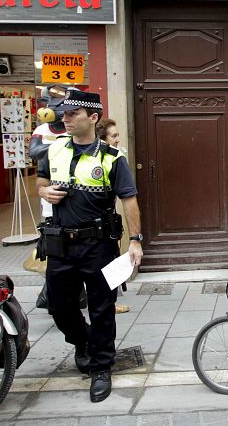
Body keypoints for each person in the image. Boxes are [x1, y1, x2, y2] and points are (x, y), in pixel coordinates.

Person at [36, 90, 143, 402]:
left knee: (101, 310)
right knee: (58, 305)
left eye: (72, 114)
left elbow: (129, 200)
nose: (65, 119)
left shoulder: (112, 158)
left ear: (92, 118)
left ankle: (101, 367)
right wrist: (44, 193)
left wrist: (135, 240)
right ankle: (82, 342)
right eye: (64, 114)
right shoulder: (53, 151)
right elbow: (40, 181)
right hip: (60, 244)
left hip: (98, 246)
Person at [96, 118, 130, 314]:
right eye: (114, 136)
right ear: (103, 138)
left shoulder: (115, 157)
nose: (117, 139)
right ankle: (109, 302)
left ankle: (110, 301)